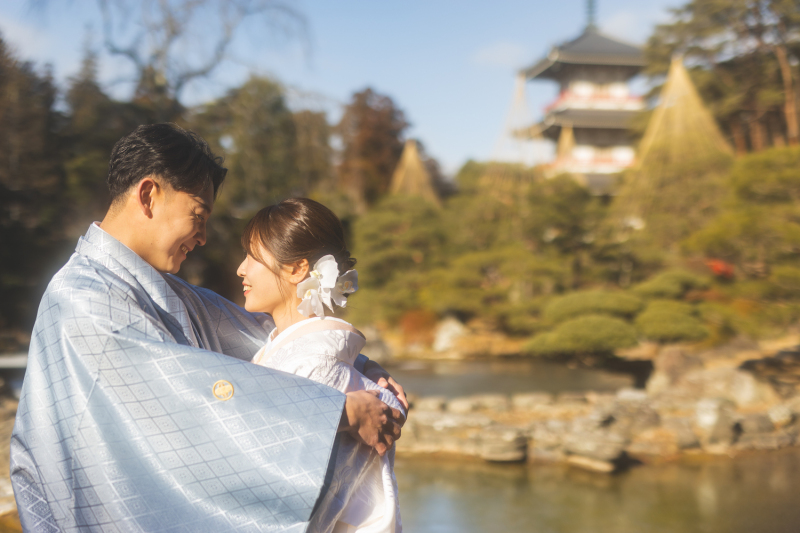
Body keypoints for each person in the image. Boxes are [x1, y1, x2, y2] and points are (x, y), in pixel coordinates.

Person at [10, 123, 406, 532]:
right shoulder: (81, 298)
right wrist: (335, 410)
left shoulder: (165, 290)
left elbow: (273, 336)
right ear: (149, 195)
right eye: (198, 216)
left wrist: (361, 367)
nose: (201, 237)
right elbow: (182, 396)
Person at [237, 199, 404, 533]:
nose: (241, 268)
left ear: (298, 269)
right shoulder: (306, 351)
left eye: (253, 257)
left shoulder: (316, 364)